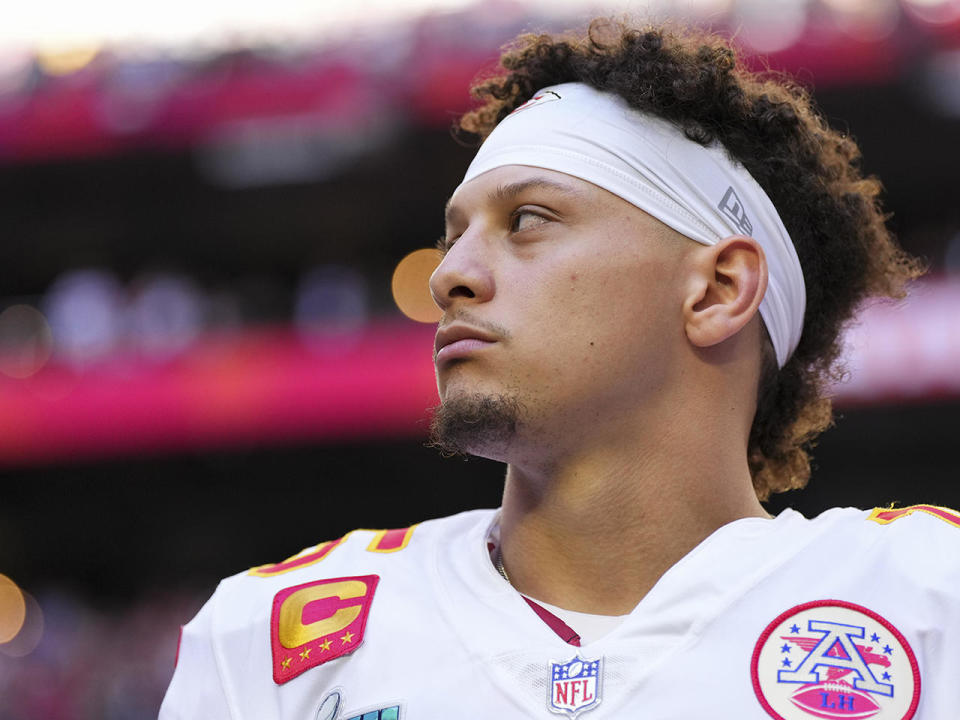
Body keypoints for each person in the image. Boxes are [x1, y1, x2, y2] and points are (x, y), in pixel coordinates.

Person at [159, 18, 955, 720]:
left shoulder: (930, 600)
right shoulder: (265, 637)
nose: (448, 277)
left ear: (716, 289)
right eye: (454, 235)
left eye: (528, 220)